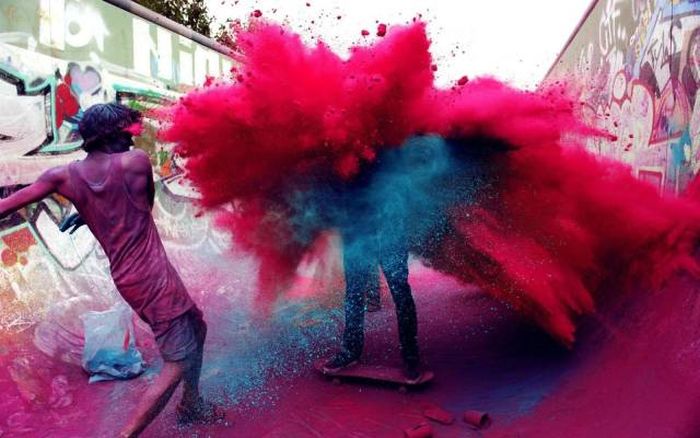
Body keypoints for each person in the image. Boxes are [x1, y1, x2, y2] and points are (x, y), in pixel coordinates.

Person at [0, 103, 222, 436]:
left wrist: (89, 209)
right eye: (127, 132)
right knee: (178, 360)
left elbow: (7, 205)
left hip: (132, 277)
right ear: (111, 134)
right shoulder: (136, 163)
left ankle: (191, 402)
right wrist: (95, 209)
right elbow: (143, 206)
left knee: (197, 326)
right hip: (153, 278)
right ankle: (127, 434)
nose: (132, 140)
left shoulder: (63, 175)